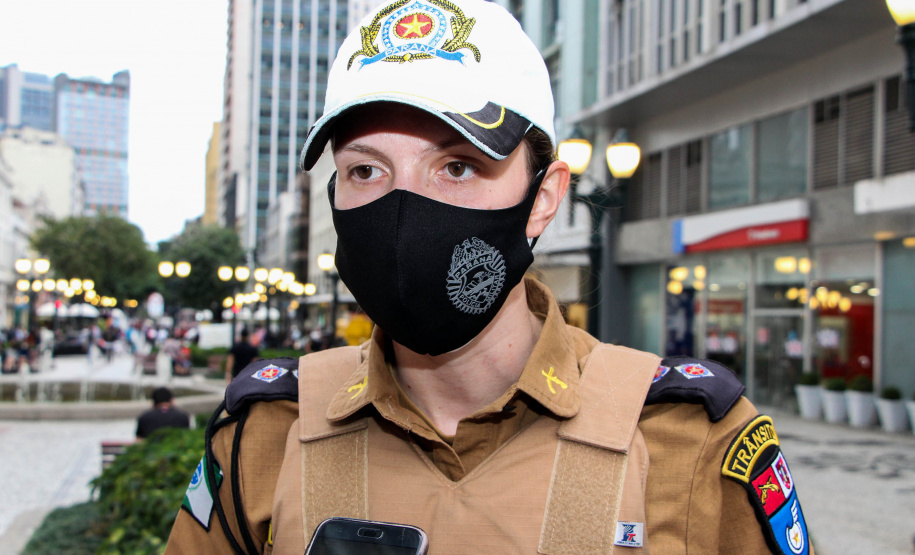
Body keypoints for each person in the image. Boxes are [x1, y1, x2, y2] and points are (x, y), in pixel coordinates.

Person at [166, 2, 811, 554]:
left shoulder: (688, 443)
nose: (402, 213)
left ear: (543, 198)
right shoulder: (264, 433)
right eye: (365, 171)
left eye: (458, 167)